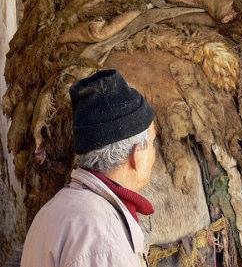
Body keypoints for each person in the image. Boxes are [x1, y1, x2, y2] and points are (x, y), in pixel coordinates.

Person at [21, 69, 156, 267]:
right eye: (152, 142)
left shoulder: (57, 208)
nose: (155, 152)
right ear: (135, 155)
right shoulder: (102, 237)